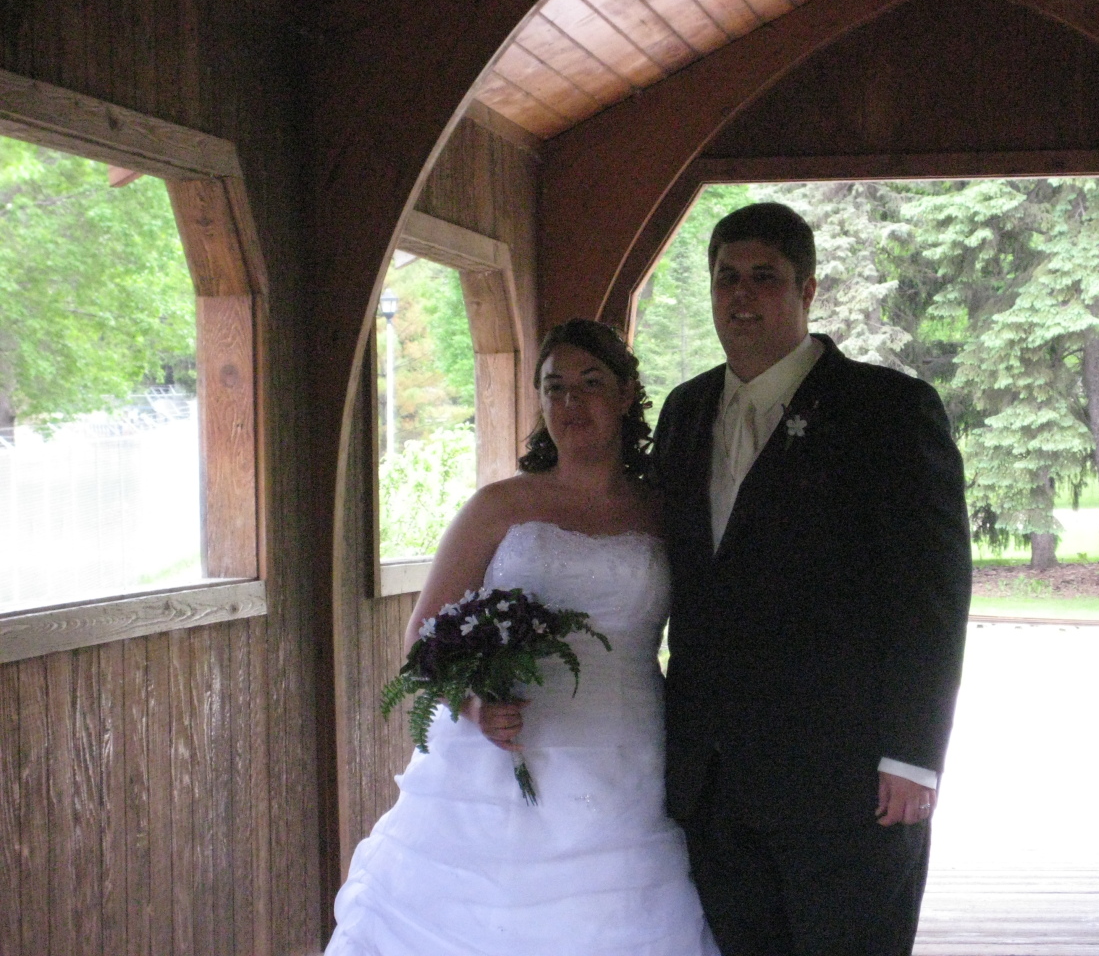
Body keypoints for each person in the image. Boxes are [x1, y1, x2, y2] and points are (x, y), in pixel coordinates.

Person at [327, 318, 720, 956]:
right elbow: (423, 635)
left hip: (628, 759)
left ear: (626, 394)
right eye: (554, 387)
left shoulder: (664, 511)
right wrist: (475, 705)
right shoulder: (499, 506)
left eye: (591, 383)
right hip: (504, 754)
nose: (571, 402)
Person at [652, 202, 972, 956]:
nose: (741, 295)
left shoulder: (889, 410)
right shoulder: (685, 412)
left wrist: (914, 754)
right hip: (713, 781)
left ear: (808, 290)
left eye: (764, 277)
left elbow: (931, 596)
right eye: (727, 277)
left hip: (847, 780)